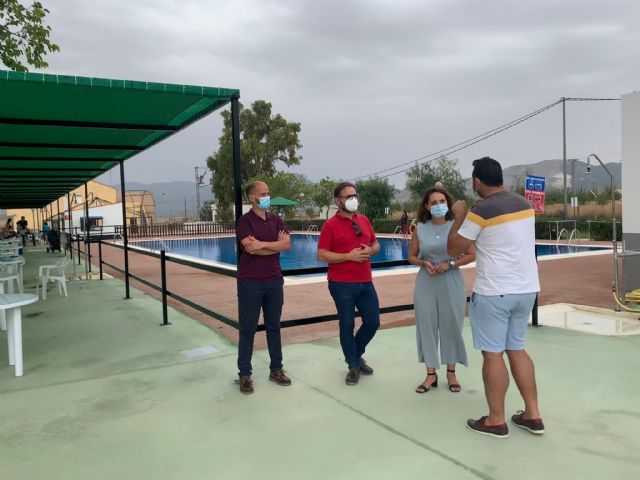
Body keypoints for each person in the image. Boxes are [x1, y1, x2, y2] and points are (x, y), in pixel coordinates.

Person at [447, 157, 543, 439]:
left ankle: (495, 421)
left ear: (476, 181)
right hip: (526, 290)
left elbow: (453, 247)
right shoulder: (524, 204)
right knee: (517, 348)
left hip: (494, 292)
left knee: (493, 354)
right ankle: (532, 414)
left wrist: (460, 214)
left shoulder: (482, 210)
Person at [408, 186, 475, 394]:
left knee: (451, 325)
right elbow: (411, 256)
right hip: (426, 282)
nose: (439, 205)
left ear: (448, 203)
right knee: (426, 326)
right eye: (434, 202)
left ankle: (451, 373)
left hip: (451, 280)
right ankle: (430, 374)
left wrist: (450, 264)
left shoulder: (458, 227)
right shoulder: (420, 228)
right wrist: (423, 262)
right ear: (427, 206)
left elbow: (471, 254)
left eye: (442, 201)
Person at [317, 182, 380, 385]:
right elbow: (322, 254)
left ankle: (354, 355)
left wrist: (371, 250)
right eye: (349, 196)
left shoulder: (364, 220)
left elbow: (375, 244)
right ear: (338, 201)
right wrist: (347, 256)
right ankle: (353, 366)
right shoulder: (330, 225)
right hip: (341, 284)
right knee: (347, 324)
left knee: (373, 322)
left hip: (366, 282)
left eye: (355, 196)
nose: (354, 199)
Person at [236, 180, 292, 395]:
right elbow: (250, 249)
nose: (267, 197)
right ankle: (245, 374)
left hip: (274, 281)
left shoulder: (276, 220)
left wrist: (262, 245)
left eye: (268, 193)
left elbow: (287, 245)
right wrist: (273, 246)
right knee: (247, 329)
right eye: (263, 193)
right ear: (252, 197)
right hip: (250, 282)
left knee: (274, 327)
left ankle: (276, 369)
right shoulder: (244, 222)